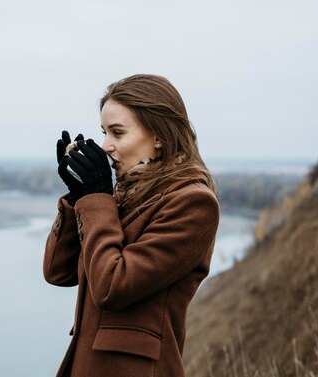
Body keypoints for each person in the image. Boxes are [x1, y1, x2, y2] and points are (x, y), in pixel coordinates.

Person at [44, 74, 220, 377]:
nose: (106, 146)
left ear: (159, 136)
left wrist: (97, 198)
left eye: (118, 133)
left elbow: (112, 286)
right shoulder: (125, 197)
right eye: (104, 132)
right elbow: (57, 272)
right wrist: (78, 198)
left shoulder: (192, 204)